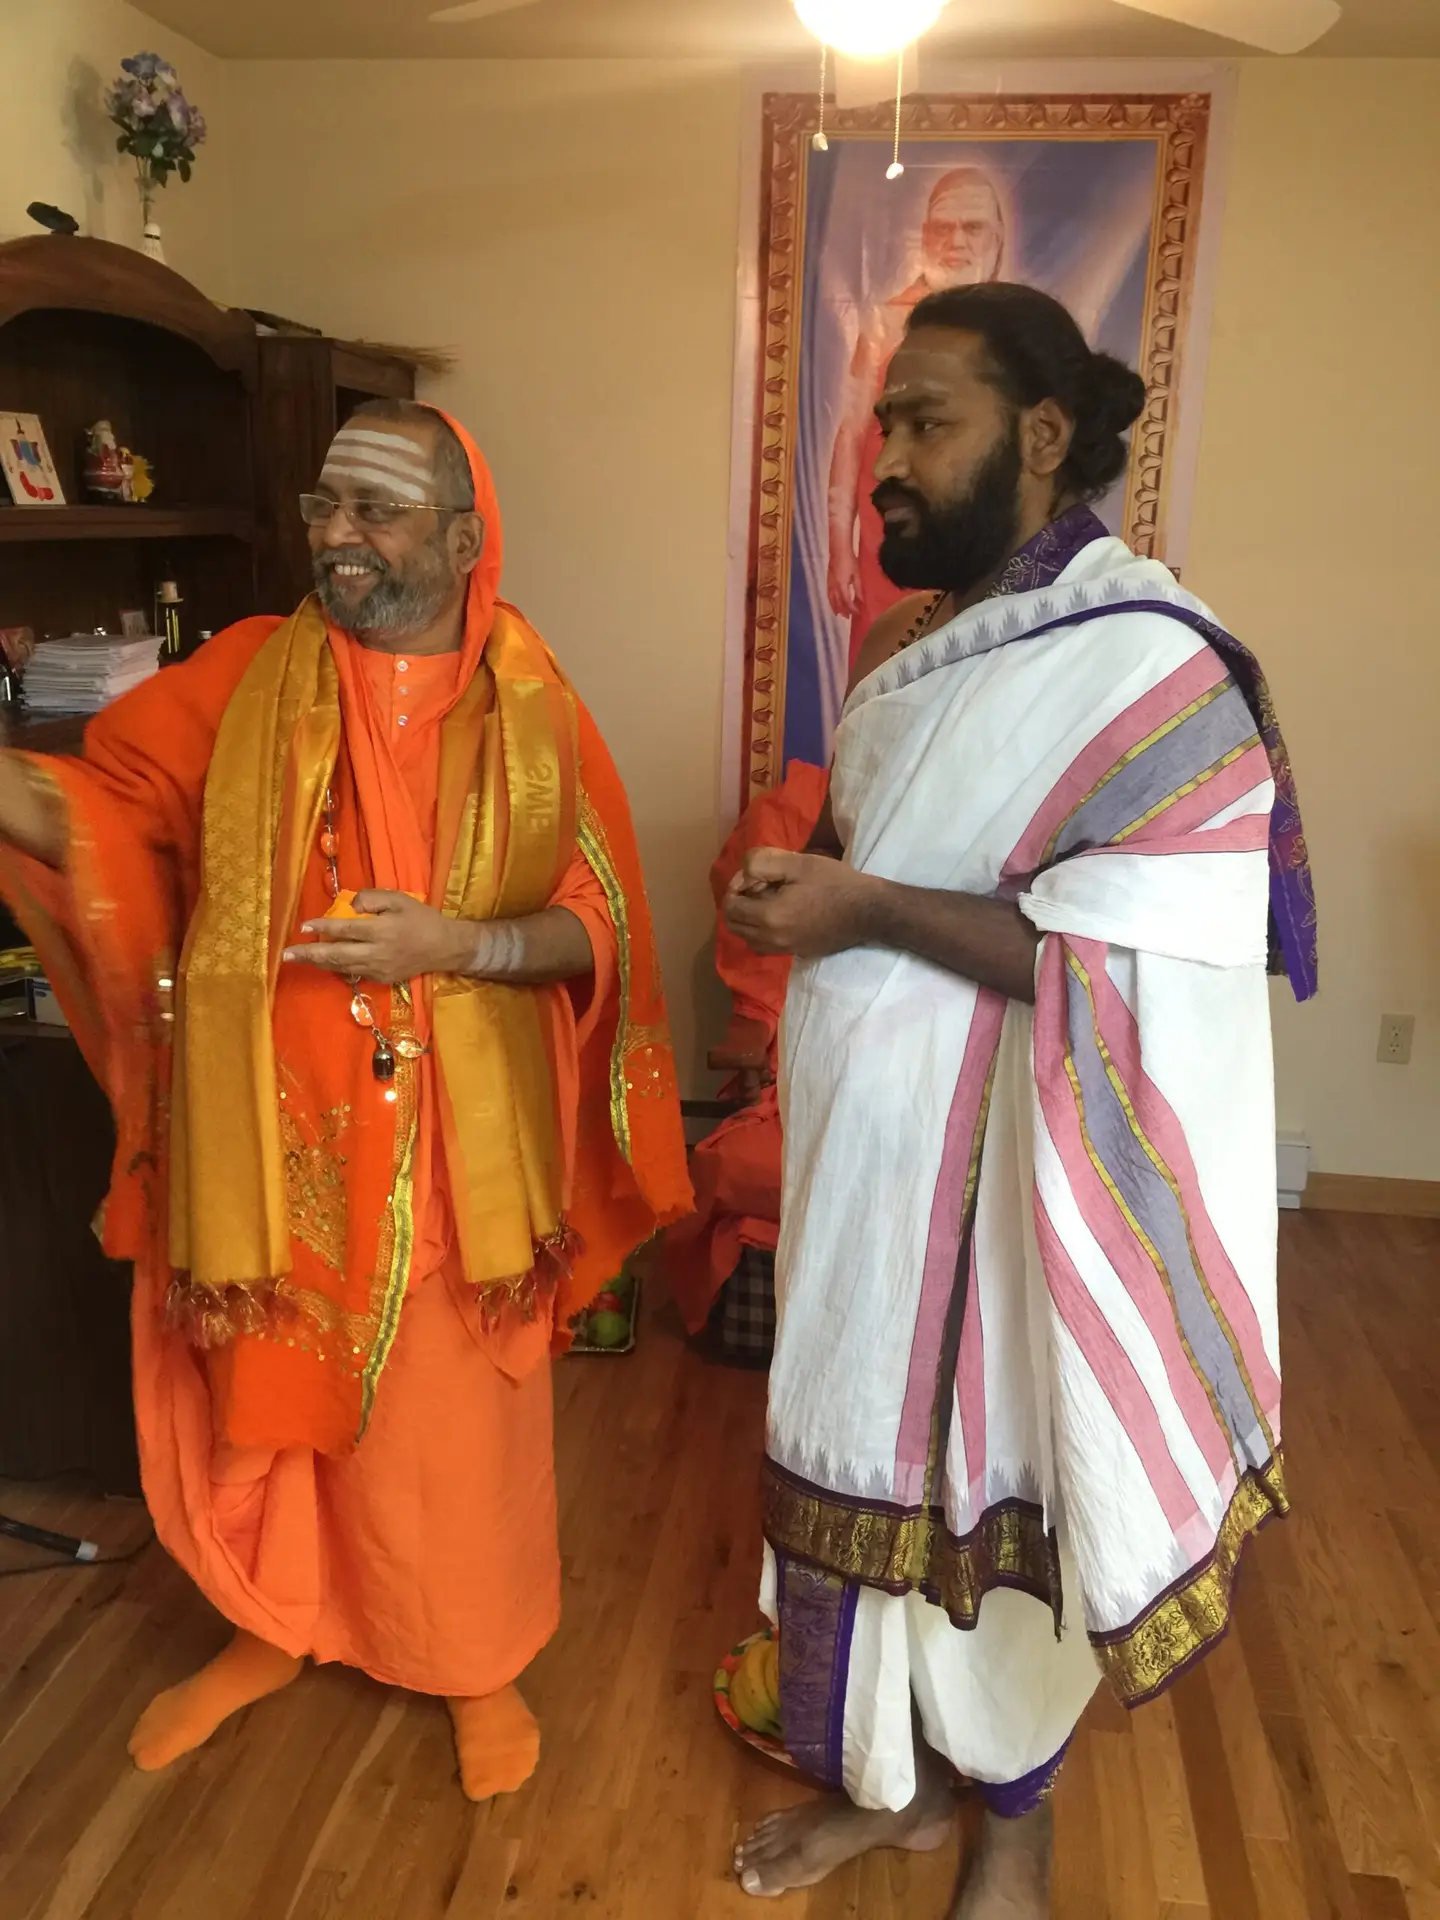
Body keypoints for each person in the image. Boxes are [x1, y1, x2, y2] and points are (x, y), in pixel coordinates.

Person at [0, 400, 691, 1798]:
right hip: (275, 1143)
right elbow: (105, 819)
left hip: (457, 1152)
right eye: (325, 505)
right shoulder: (245, 676)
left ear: (464, 538)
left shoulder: (533, 709)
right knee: (269, 1401)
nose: (336, 535)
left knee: (448, 1432)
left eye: (375, 509)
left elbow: (599, 926)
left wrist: (457, 945)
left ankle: (473, 1659)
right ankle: (276, 1624)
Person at [724, 283, 1315, 1916]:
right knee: (860, 1465)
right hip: (870, 1164)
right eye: (882, 426)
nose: (885, 464)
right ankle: (900, 1790)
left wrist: (863, 910)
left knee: (1005, 1490)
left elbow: (1143, 959)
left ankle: (1014, 1827)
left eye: (927, 422)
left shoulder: (1151, 666)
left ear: (1043, 435)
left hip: (1022, 1185)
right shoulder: (904, 649)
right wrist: (807, 890)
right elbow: (878, 853)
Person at [826, 168, 1007, 662]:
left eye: (973, 228)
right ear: (924, 236)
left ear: (997, 238)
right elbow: (850, 435)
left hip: (981, 546)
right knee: (881, 682)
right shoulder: (886, 321)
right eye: (944, 228)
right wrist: (840, 550)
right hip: (891, 546)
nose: (957, 242)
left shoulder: (1015, 333)